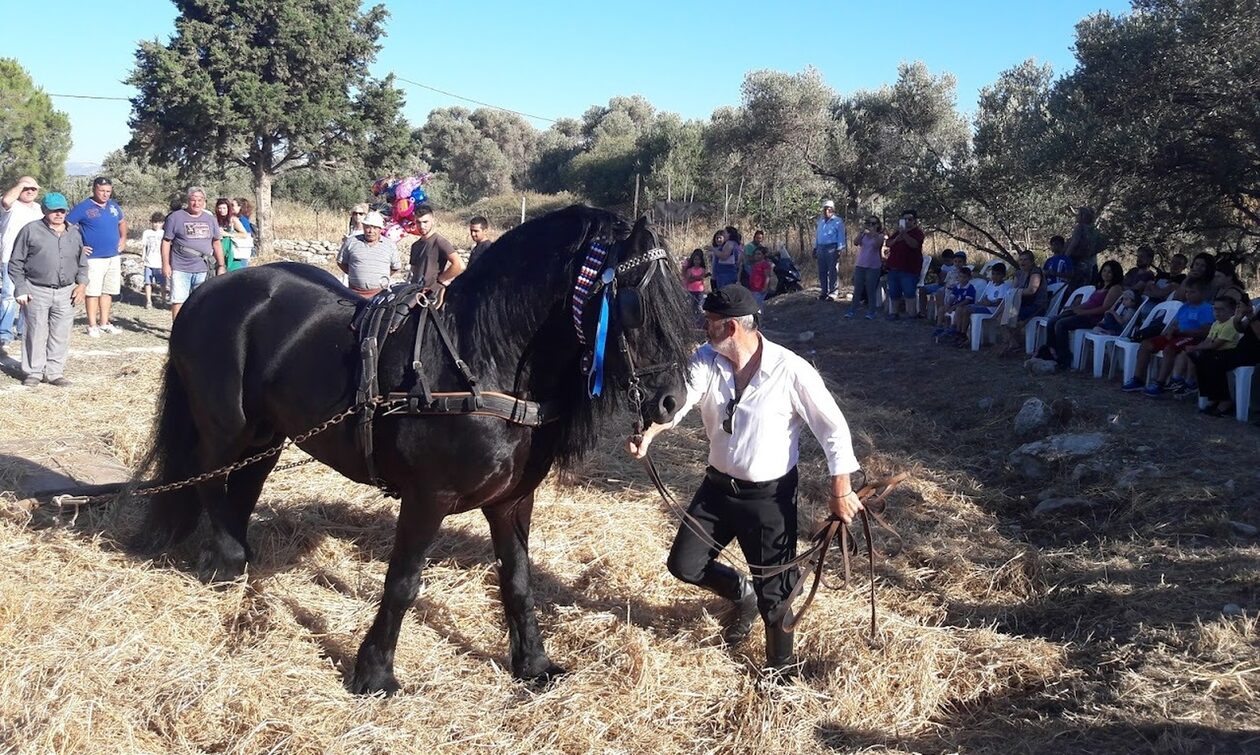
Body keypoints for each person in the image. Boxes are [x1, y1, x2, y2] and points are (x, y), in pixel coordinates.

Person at [624, 285, 863, 678]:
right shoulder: (707, 359)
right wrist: (649, 433)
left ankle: (780, 673)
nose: (704, 328)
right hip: (717, 490)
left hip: (768, 500)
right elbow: (683, 398)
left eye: (710, 322)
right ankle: (741, 594)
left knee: (778, 596)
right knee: (684, 564)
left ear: (731, 327)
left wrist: (842, 490)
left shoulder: (791, 370)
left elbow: (833, 429)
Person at [6, 193, 87, 387]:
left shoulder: (74, 233)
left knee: (61, 333)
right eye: (54, 210)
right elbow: (15, 263)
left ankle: (54, 373)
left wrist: (82, 285)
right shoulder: (30, 231)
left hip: (66, 292)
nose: (59, 214)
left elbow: (82, 263)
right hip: (36, 290)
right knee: (35, 332)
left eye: (62, 210)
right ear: (44, 210)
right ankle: (33, 372)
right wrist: (21, 288)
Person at [1122, 278, 1214, 396]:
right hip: (1177, 334)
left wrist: (1186, 331)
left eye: (1192, 292)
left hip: (1192, 338)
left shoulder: (1206, 309)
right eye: (1187, 292)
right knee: (1146, 344)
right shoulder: (1184, 306)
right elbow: (1175, 322)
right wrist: (1170, 331)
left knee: (1169, 348)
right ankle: (1138, 379)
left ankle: (1160, 383)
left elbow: (1206, 330)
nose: (1188, 295)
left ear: (1202, 294)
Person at [67, 177, 126, 337]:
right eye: (102, 191)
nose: (105, 194)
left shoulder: (114, 206)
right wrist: (78, 246)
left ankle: (105, 322)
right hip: (93, 258)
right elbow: (67, 226)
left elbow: (122, 222)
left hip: (113, 256)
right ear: (94, 189)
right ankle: (92, 325)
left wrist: (123, 239)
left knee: (108, 291)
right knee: (93, 292)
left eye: (108, 191)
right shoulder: (83, 207)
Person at [1044, 260, 1124, 371]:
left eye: (1109, 272)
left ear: (1115, 274)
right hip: (1085, 313)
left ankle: (1065, 359)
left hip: (1095, 319)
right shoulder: (1101, 286)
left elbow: (1105, 308)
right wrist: (1076, 308)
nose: (1106, 274)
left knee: (1061, 324)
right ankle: (1051, 351)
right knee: (1052, 320)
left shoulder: (1115, 288)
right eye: (1104, 270)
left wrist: (1083, 312)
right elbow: (1090, 303)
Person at [162, 186, 226, 320]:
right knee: (179, 300)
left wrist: (221, 265)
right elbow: (166, 242)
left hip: (203, 268)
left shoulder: (210, 219)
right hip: (181, 268)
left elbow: (216, 242)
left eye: (200, 200)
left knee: (201, 301)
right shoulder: (175, 217)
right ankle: (177, 331)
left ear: (204, 201)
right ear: (188, 200)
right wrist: (165, 264)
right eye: (193, 200)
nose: (196, 203)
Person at [1196, 299, 1260, 417]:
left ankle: (1225, 401)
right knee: (1204, 358)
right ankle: (1213, 397)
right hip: (1242, 348)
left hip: (1254, 353)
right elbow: (1240, 328)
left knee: (1216, 360)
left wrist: (1251, 316)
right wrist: (1239, 316)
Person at [1, 176, 44, 350]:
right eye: (26, 188)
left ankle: (23, 331)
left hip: (32, 259)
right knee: (10, 296)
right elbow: (6, 199)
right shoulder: (11, 206)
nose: (30, 191)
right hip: (10, 258)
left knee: (29, 296)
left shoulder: (38, 209)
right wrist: (20, 185)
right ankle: (4, 334)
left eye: (33, 188)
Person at [1171, 296, 1242, 397]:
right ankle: (1178, 379)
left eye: (1221, 309)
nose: (1217, 312)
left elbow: (1215, 344)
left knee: (1198, 355)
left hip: (1226, 353)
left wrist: (1196, 348)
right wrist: (1195, 347)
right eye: (1215, 309)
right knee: (1188, 352)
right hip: (1214, 352)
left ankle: (1192, 382)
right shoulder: (1216, 323)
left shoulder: (1230, 325)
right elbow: (1208, 340)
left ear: (1232, 311)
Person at [337, 211, 401, 298]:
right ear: (363, 227)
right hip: (354, 294)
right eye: (368, 227)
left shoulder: (390, 245)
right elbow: (341, 262)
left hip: (380, 295)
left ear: (380, 229)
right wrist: (355, 272)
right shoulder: (351, 242)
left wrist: (381, 275)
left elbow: (395, 267)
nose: (371, 231)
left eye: (375, 228)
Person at [407, 205, 466, 294]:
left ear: (433, 221)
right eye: (418, 222)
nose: (422, 226)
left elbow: (460, 265)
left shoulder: (439, 241)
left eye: (425, 222)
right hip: (415, 293)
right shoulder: (415, 246)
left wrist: (440, 281)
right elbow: (413, 270)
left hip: (431, 295)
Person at [999, 250, 1048, 356]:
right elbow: (1013, 288)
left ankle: (1014, 344)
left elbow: (1031, 290)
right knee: (1001, 315)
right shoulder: (1018, 273)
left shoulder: (1035, 272)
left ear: (1032, 261)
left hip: (1036, 305)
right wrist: (1015, 292)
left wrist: (1016, 292)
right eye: (1021, 259)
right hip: (1021, 303)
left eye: (1026, 260)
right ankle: (1014, 343)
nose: (1022, 262)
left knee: (1010, 316)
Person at [955, 262, 1012, 347]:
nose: (995, 276)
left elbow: (999, 302)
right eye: (993, 274)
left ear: (1003, 275)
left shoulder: (1004, 286)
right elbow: (985, 297)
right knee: (960, 308)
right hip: (985, 306)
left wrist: (989, 303)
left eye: (998, 274)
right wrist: (983, 302)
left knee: (966, 309)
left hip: (993, 309)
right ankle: (958, 331)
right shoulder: (991, 284)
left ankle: (963, 334)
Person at [884, 208, 925, 320]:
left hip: (909, 268)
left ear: (914, 221)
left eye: (909, 219)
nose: (907, 221)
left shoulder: (918, 233)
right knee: (894, 291)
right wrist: (898, 236)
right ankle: (894, 313)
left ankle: (912, 314)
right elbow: (889, 243)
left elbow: (914, 245)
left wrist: (904, 235)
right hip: (894, 266)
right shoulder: (897, 233)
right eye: (904, 219)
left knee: (909, 291)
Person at [845, 216, 885, 320]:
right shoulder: (864, 235)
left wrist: (872, 234)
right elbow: (856, 242)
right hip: (861, 264)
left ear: (877, 225)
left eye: (873, 223)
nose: (871, 226)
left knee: (870, 290)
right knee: (857, 289)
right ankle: (852, 310)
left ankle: (871, 311)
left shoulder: (880, 236)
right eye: (869, 223)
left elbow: (877, 245)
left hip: (873, 266)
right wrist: (861, 233)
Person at [932, 265, 976, 343]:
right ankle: (939, 327)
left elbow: (967, 301)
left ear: (969, 278)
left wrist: (954, 307)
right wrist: (948, 305)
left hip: (964, 306)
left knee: (959, 310)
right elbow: (952, 297)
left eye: (964, 277)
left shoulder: (970, 288)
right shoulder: (957, 287)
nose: (962, 279)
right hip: (956, 305)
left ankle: (957, 331)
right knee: (942, 308)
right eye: (960, 277)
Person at [1064, 206, 1105, 290]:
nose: (1077, 216)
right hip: (1090, 264)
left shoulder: (1080, 228)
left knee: (1073, 287)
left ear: (1083, 216)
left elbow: (1074, 243)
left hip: (1077, 262)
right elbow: (1102, 245)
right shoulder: (1094, 230)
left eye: (1078, 214)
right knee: (1085, 287)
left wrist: (1065, 257)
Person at [813, 200, 845, 301]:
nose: (827, 211)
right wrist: (815, 247)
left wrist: (839, 249)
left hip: (832, 247)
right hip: (821, 247)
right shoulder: (821, 221)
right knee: (822, 271)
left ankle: (833, 292)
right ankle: (824, 291)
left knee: (832, 270)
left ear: (833, 210)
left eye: (829, 209)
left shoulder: (838, 221)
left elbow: (841, 235)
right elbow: (818, 235)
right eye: (825, 209)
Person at [915, 249, 956, 318]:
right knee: (922, 289)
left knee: (940, 293)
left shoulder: (954, 268)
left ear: (952, 259)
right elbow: (940, 281)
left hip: (949, 287)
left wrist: (942, 274)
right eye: (944, 261)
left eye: (948, 261)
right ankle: (923, 312)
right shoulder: (944, 266)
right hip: (940, 284)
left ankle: (939, 314)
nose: (946, 262)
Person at [214, 197, 249, 271]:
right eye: (220, 208)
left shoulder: (233, 220)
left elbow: (244, 234)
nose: (222, 211)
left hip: (233, 255)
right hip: (218, 253)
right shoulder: (214, 220)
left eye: (224, 208)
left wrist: (228, 234)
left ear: (228, 208)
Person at [140, 211, 166, 308]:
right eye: (155, 222)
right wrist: (143, 258)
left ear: (163, 223)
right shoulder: (147, 233)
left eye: (159, 222)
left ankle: (163, 301)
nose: (157, 225)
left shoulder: (164, 233)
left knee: (162, 284)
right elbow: (144, 246)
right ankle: (148, 301)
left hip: (160, 263)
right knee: (148, 282)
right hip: (149, 262)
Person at [682, 249, 708, 319]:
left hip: (699, 290)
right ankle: (692, 319)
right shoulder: (690, 270)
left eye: (698, 260)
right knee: (692, 306)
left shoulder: (702, 269)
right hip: (691, 290)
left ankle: (700, 319)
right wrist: (698, 277)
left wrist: (695, 277)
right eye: (695, 260)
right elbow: (689, 279)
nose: (697, 261)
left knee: (699, 306)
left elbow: (703, 277)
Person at [230, 197, 254, 266]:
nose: (230, 207)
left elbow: (247, 235)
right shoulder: (240, 218)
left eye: (233, 205)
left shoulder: (242, 220)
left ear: (240, 207)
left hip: (241, 251)